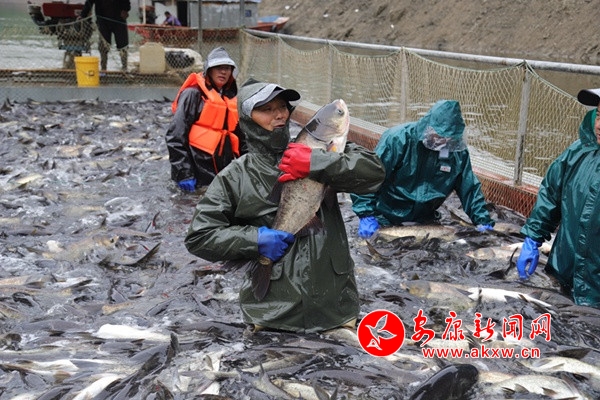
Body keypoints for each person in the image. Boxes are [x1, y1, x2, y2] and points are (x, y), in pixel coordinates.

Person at [184, 79, 386, 333]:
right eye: (266, 110)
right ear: (247, 119)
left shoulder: (319, 148)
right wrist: (253, 240)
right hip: (270, 316)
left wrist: (317, 162)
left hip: (336, 310)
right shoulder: (235, 176)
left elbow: (374, 173)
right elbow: (199, 237)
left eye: (282, 107)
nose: (279, 115)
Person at [351, 99, 495, 238]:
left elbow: (469, 188)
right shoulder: (397, 139)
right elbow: (369, 176)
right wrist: (365, 214)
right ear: (429, 127)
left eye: (449, 139)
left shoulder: (457, 152)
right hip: (386, 215)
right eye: (439, 137)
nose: (444, 143)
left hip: (426, 219)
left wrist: (482, 220)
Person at [516, 87, 600, 307]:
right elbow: (551, 194)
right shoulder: (578, 152)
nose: (599, 125)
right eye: (599, 114)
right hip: (563, 274)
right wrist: (533, 237)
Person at [165, 47, 243, 192]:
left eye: (227, 68)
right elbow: (175, 136)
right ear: (209, 70)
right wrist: (184, 173)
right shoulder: (192, 94)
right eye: (218, 67)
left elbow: (240, 139)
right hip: (195, 172)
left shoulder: (230, 100)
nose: (223, 72)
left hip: (220, 172)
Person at [80, 0, 131, 71]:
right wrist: (83, 15)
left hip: (119, 19)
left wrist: (125, 9)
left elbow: (126, 2)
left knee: (123, 44)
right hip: (103, 20)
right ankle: (103, 68)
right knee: (103, 45)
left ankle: (124, 67)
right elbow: (89, 2)